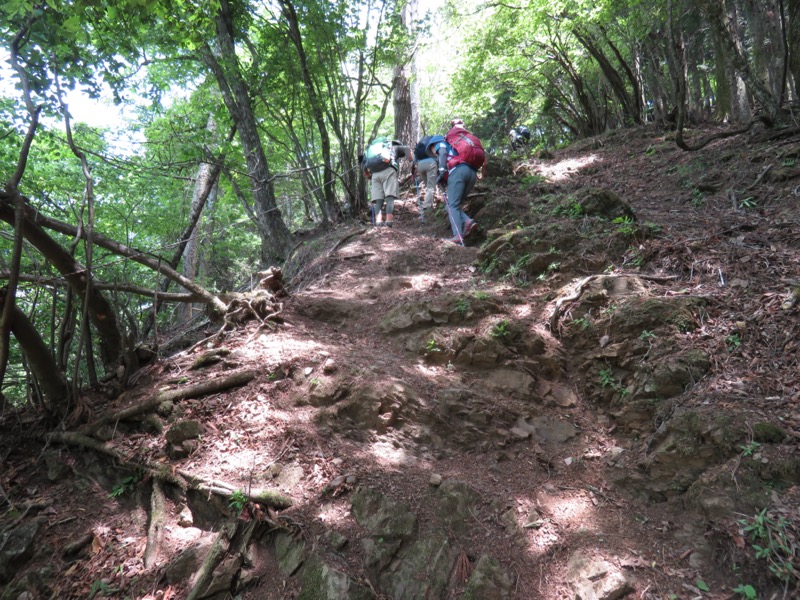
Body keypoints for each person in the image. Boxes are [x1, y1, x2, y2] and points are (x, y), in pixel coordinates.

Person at [438, 118, 487, 244]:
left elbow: (443, 153)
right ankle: (467, 222)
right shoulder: (470, 138)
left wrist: (441, 172)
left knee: (451, 205)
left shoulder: (448, 137)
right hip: (473, 173)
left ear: (452, 126)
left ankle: (457, 235)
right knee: (455, 204)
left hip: (458, 171)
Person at [362, 136, 409, 228]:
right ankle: (389, 221)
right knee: (389, 197)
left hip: (375, 174)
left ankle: (378, 222)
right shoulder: (395, 147)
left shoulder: (372, 150)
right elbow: (407, 149)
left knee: (378, 199)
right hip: (388, 171)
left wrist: (368, 175)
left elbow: (363, 164)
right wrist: (411, 160)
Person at [411, 135, 438, 219]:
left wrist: (413, 171)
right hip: (431, 164)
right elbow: (436, 155)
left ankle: (431, 205)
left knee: (428, 187)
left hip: (420, 166)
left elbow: (414, 160)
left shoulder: (419, 146)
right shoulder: (431, 144)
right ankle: (427, 207)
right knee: (431, 187)